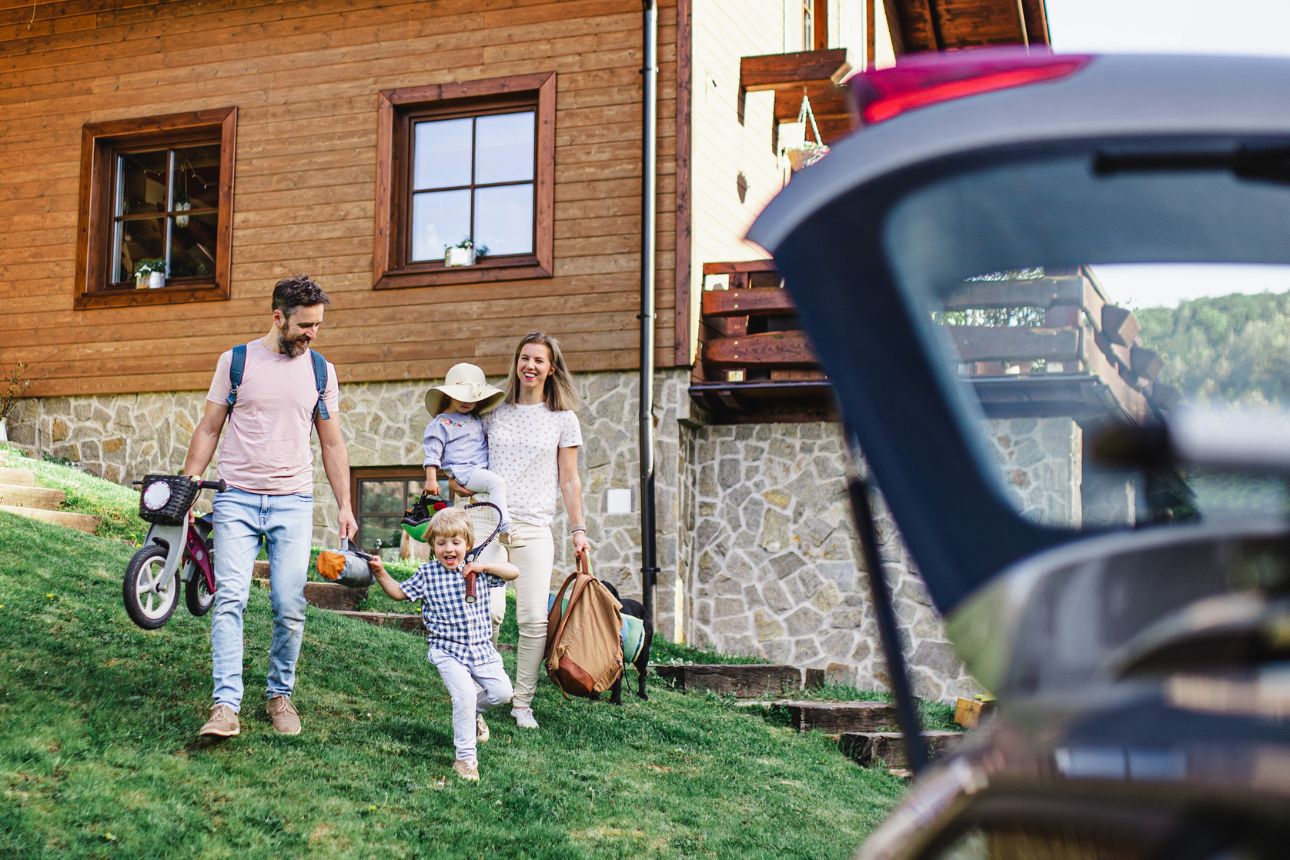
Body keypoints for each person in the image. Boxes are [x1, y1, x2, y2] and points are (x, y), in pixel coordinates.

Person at [181, 274, 357, 739]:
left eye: (318, 325)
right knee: (230, 599)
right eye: (304, 325)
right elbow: (209, 428)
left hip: (293, 503)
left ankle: (280, 694)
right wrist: (189, 485)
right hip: (236, 497)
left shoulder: (321, 371)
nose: (312, 334)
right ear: (278, 317)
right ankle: (225, 705)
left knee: (288, 603)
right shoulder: (235, 362)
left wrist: (345, 504)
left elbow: (332, 444)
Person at [461, 331, 589, 730]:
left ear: (552, 369)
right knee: (489, 611)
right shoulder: (492, 411)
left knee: (533, 621)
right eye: (525, 358)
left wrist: (578, 530)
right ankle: (484, 691)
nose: (530, 366)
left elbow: (569, 480)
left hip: (534, 527)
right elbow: (467, 462)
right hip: (487, 523)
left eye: (539, 360)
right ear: (516, 362)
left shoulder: (563, 420)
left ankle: (522, 703)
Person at [368, 508, 518, 782]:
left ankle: (472, 715)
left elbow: (514, 571)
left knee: (502, 693)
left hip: (482, 650)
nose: (449, 548)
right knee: (464, 696)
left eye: (456, 542)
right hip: (448, 651)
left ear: (468, 545)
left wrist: (483, 566)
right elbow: (398, 593)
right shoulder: (427, 574)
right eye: (441, 543)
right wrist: (380, 573)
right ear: (433, 546)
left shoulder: (479, 572)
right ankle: (465, 760)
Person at [401, 363, 523, 549]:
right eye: (460, 396)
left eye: (473, 398)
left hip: (479, 471)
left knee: (495, 483)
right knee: (496, 483)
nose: (466, 402)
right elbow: (432, 453)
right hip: (466, 472)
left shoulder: (475, 418)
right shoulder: (441, 423)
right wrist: (431, 480)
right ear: (449, 394)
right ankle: (505, 529)